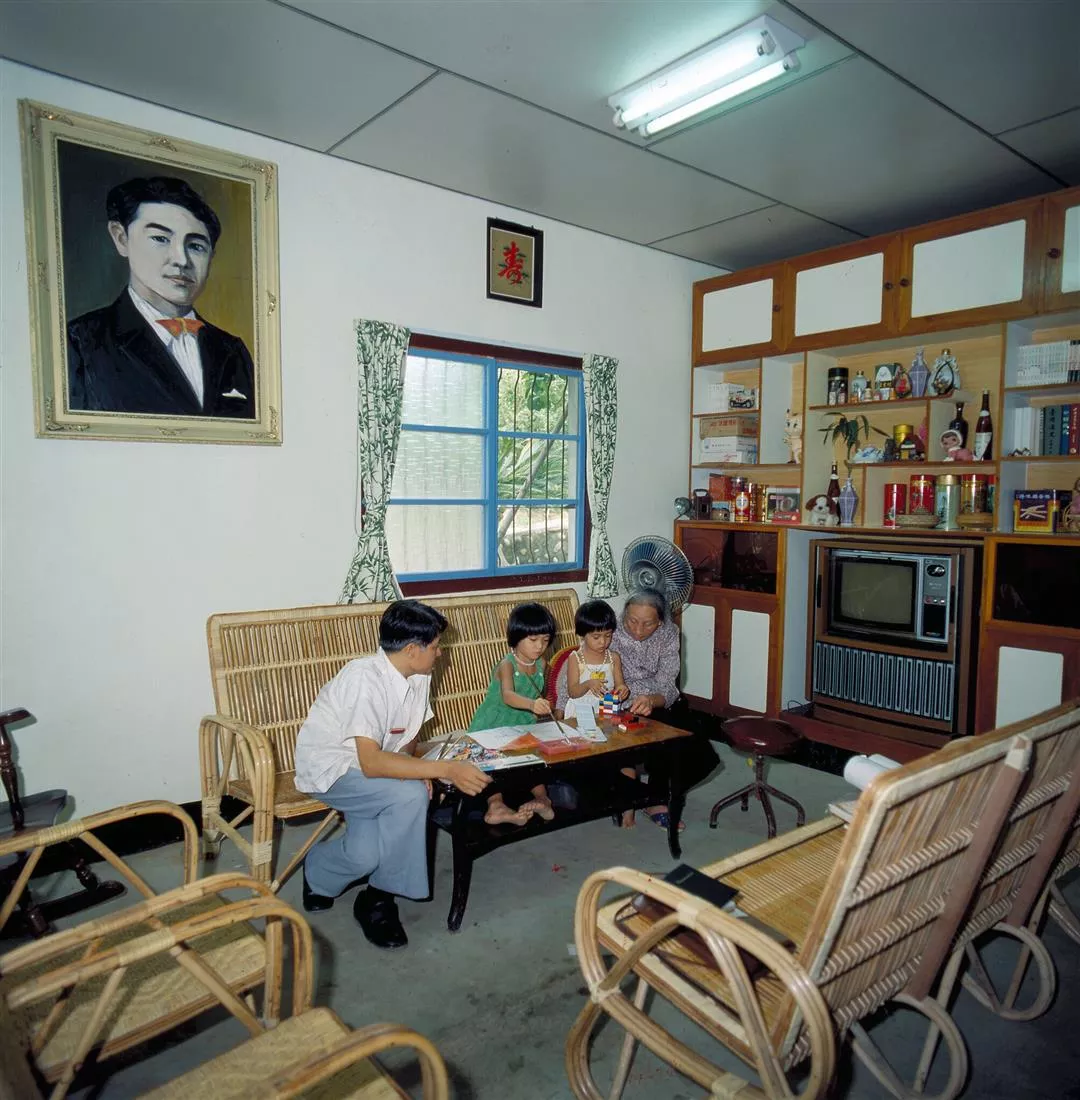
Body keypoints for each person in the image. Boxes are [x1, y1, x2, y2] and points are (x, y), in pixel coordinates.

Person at [294, 600, 490, 949]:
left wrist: (412, 769)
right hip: (334, 770)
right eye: (435, 646)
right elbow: (371, 762)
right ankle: (378, 900)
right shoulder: (363, 678)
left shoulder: (419, 674)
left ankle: (317, 870)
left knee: (365, 856)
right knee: (410, 797)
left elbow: (408, 737)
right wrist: (442, 769)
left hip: (371, 775)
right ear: (412, 650)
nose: (440, 653)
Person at [66, 176, 256, 418]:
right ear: (121, 238)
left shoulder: (232, 350)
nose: (181, 260)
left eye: (196, 246)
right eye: (160, 239)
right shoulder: (80, 342)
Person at [610, 587, 718, 830]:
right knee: (644, 739)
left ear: (660, 622)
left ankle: (655, 796)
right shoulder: (611, 630)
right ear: (624, 614)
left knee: (698, 749)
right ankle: (648, 799)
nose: (638, 630)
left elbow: (668, 685)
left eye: (648, 624)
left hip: (657, 699)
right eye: (632, 621)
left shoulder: (669, 633)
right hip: (619, 701)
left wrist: (651, 700)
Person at [468, 602, 558, 826]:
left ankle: (542, 799)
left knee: (534, 760)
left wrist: (544, 706)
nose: (540, 646)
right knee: (491, 764)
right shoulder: (506, 664)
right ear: (516, 637)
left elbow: (539, 692)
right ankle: (496, 806)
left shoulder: (542, 664)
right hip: (494, 723)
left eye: (545, 640)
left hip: (523, 722)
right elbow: (508, 695)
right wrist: (532, 704)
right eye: (533, 640)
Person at [557, 599, 628, 722]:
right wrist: (588, 684)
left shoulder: (614, 658)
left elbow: (619, 685)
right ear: (582, 634)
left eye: (608, 635)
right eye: (596, 637)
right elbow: (572, 692)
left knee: (609, 733)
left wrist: (622, 690)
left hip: (607, 709)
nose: (603, 642)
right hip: (580, 711)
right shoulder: (576, 658)